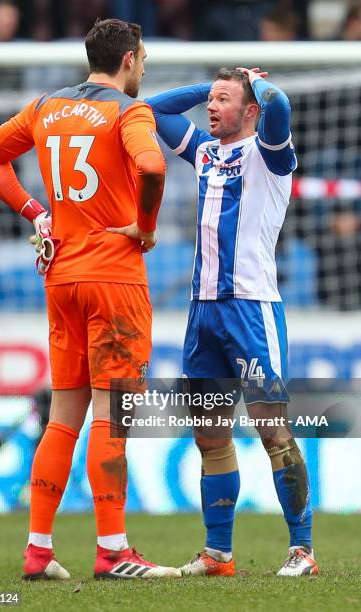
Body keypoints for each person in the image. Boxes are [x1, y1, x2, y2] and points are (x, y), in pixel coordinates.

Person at [0, 18, 181, 580]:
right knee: (112, 417)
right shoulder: (128, 112)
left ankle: (38, 552)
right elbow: (153, 165)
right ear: (131, 59)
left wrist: (35, 212)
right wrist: (145, 225)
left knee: (64, 416)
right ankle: (113, 552)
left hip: (61, 275)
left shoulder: (45, 107)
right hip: (113, 276)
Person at [145, 68, 318, 577]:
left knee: (272, 428)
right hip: (203, 312)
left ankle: (301, 550)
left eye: (225, 100)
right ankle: (219, 553)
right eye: (210, 100)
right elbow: (154, 111)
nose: (212, 107)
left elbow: (280, 103)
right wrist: (211, 87)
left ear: (251, 112)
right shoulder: (204, 152)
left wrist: (253, 83)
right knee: (210, 436)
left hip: (251, 308)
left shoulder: (270, 156)